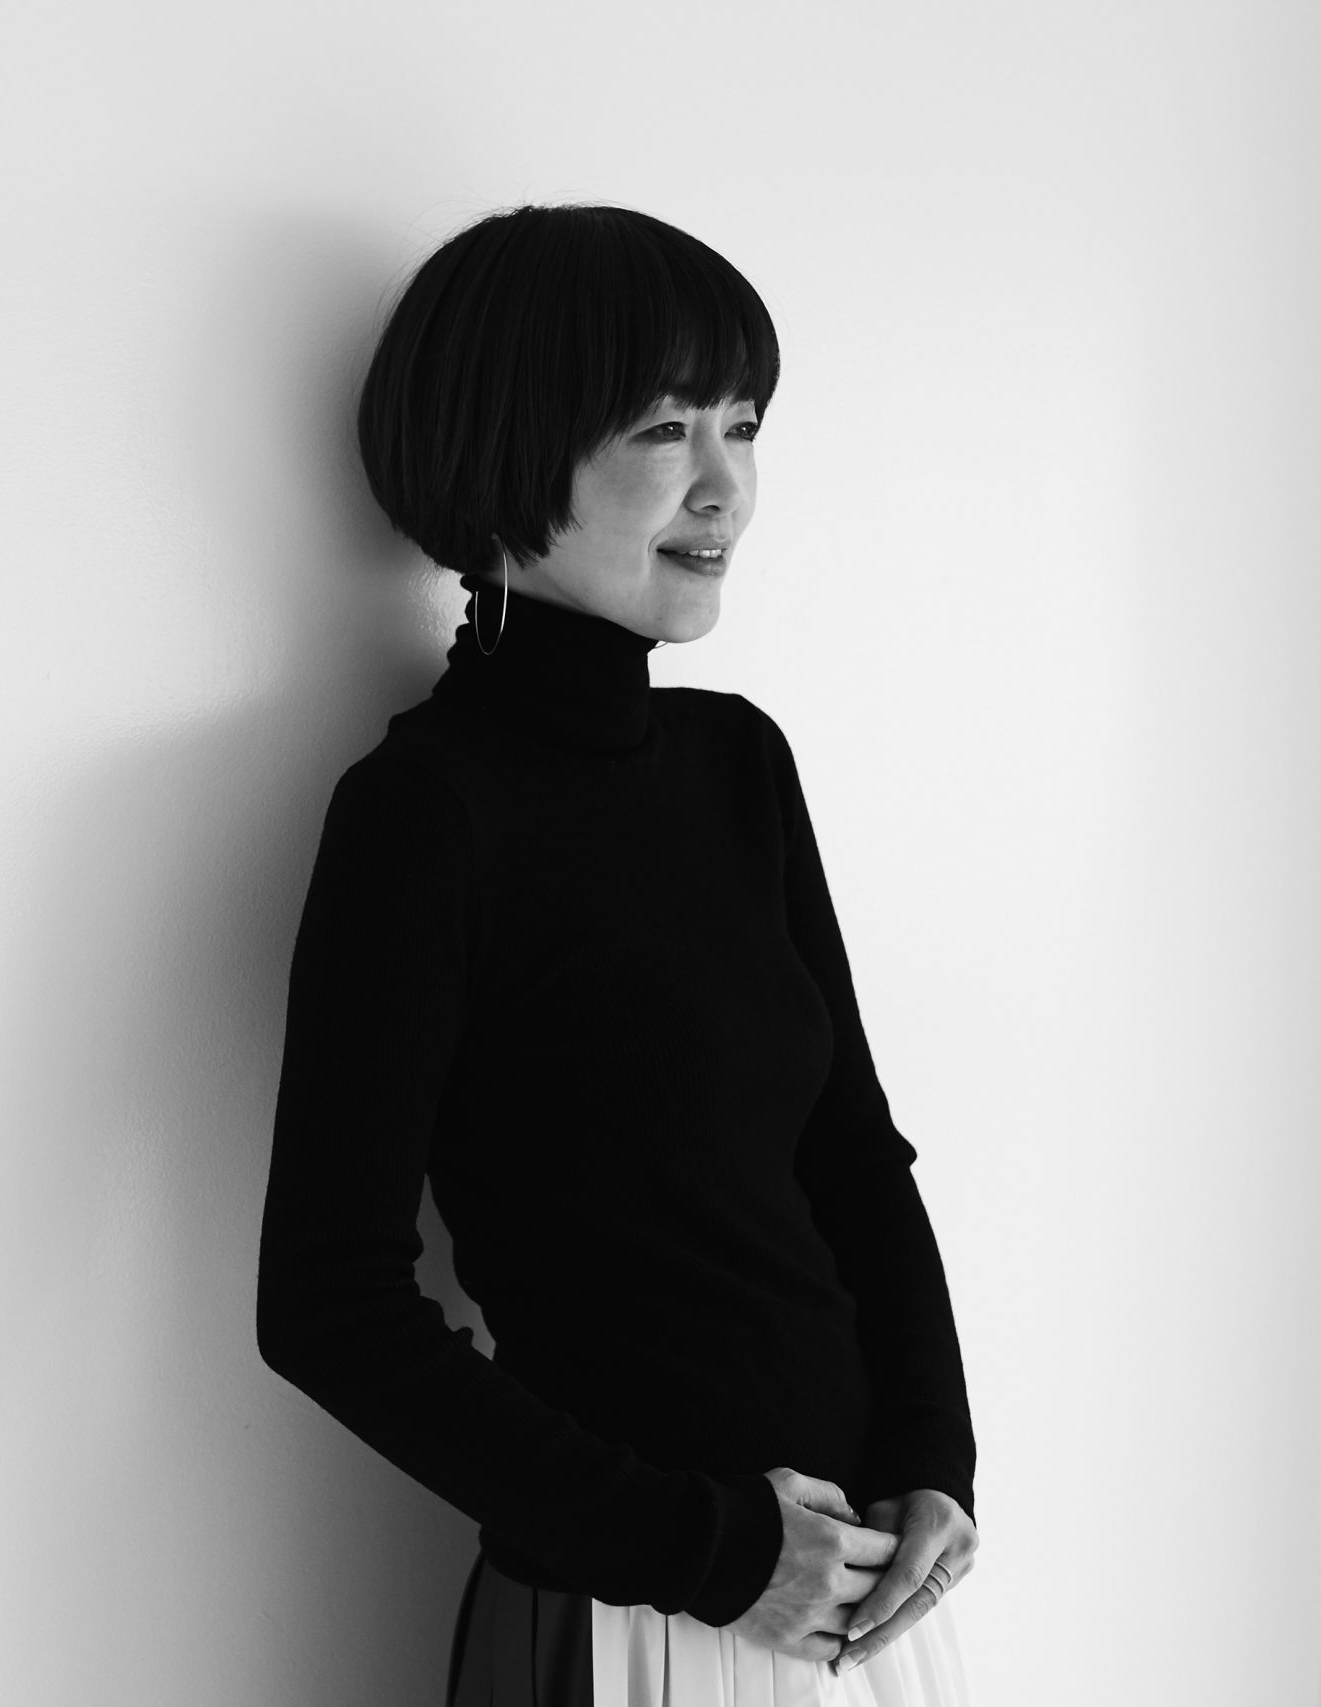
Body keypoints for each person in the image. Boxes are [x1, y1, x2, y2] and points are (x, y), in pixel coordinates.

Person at [254, 205, 979, 1706]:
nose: (726, 485)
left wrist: (934, 1465)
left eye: (743, 424)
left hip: (864, 1610)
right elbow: (329, 1306)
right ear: (508, 453)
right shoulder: (425, 816)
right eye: (663, 428)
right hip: (639, 1618)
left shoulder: (738, 764)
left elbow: (851, 1156)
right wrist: (713, 1553)